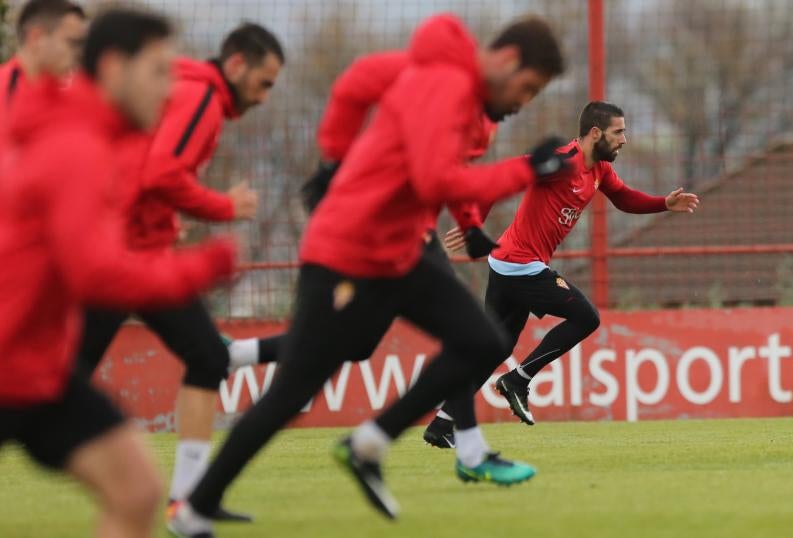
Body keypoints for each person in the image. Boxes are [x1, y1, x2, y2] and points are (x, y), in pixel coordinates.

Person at [169, 13, 570, 536]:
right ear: (508, 60)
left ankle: (370, 444)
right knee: (293, 393)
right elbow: (433, 179)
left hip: (396, 252)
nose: (523, 103)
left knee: (478, 340)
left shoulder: (454, 87)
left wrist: (337, 157)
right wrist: (525, 171)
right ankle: (196, 507)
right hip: (347, 251)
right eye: (528, 88)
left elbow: (358, 83)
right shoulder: (446, 85)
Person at [0, 8, 236, 537]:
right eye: (158, 71)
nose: (171, 89)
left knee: (136, 491)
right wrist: (200, 267)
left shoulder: (93, 139)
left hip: (35, 371)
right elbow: (95, 277)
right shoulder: (76, 147)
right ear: (112, 68)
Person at [226, 49, 500, 392]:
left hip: (403, 238)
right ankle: (457, 439)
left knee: (358, 344)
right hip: (407, 238)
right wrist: (472, 221)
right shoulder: (445, 103)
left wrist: (470, 221)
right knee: (472, 336)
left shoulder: (460, 110)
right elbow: (446, 173)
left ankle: (239, 353)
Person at [430, 101, 700, 434]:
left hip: (507, 264)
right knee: (586, 317)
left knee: (494, 348)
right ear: (596, 133)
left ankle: (443, 423)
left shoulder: (599, 169)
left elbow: (624, 198)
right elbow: (504, 176)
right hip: (520, 265)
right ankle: (518, 380)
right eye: (619, 132)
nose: (624, 140)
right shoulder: (562, 163)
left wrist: (664, 204)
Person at [0, 0, 86, 127]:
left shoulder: (71, 97)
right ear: (36, 38)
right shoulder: (5, 90)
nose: (78, 53)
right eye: (71, 42)